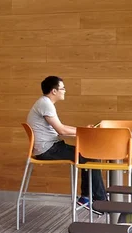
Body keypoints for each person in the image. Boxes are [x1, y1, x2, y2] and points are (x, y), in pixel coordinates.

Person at [26, 75, 107, 205]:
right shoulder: (45, 104)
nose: (65, 91)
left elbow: (62, 127)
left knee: (88, 156)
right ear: (54, 91)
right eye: (62, 88)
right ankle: (100, 201)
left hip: (50, 147)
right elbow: (61, 131)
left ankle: (88, 197)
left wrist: (82, 130)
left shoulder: (44, 103)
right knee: (90, 157)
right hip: (48, 150)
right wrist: (83, 132)